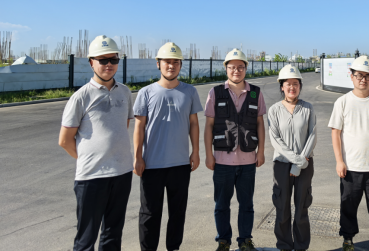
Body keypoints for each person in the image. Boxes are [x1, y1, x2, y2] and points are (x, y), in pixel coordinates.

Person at [58, 35, 133, 251]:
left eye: (113, 59)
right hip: (91, 177)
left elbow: (123, 126)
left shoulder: (125, 92)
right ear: (91, 62)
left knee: (113, 234)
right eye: (103, 60)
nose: (109, 64)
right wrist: (90, 159)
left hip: (122, 173)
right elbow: (65, 140)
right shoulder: (81, 97)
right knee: (86, 238)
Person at [133, 42, 202, 251]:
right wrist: (137, 157)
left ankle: (174, 248)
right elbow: (139, 127)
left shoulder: (189, 91)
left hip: (180, 164)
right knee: (149, 214)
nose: (171, 66)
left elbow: (193, 123)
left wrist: (196, 152)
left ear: (180, 64)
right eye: (166, 62)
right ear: (158, 64)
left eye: (175, 62)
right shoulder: (146, 92)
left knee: (177, 212)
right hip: (152, 165)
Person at [328, 56, 369, 251]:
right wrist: (339, 161)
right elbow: (335, 133)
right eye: (359, 75)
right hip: (350, 167)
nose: (363, 79)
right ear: (352, 76)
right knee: (348, 206)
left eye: (367, 76)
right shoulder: (342, 102)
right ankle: (348, 240)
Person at [204, 48, 266, 251]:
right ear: (226, 69)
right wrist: (208, 155)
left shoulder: (256, 92)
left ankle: (245, 240)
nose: (236, 71)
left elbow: (259, 123)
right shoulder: (215, 93)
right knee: (221, 205)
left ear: (246, 69)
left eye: (240, 67)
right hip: (222, 161)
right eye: (232, 67)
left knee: (246, 204)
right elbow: (209, 126)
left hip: (248, 161)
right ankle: (223, 241)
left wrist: (261, 151)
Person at [268, 65, 317, 251]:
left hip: (305, 164)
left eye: (295, 83)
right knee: (282, 208)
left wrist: (300, 163)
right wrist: (296, 161)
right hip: (282, 165)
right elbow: (276, 140)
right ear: (282, 86)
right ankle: (284, 246)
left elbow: (312, 136)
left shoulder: (308, 108)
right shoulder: (274, 110)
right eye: (287, 84)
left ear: (300, 86)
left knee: (302, 208)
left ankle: (301, 246)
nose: (292, 87)